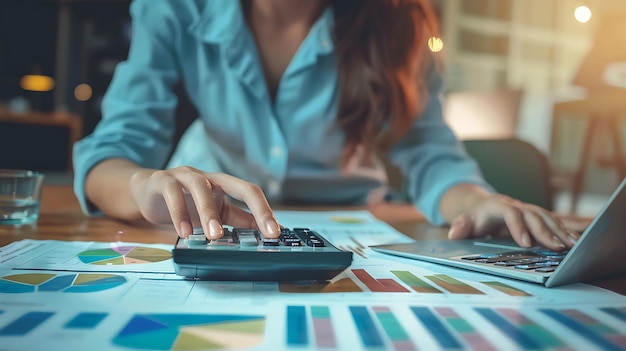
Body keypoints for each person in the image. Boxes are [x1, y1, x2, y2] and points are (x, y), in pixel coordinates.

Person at [73, 0, 583, 251]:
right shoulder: (173, 8)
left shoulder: (400, 18)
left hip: (351, 225)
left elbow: (430, 153)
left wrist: (473, 199)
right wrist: (143, 185)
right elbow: (114, 148)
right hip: (213, 218)